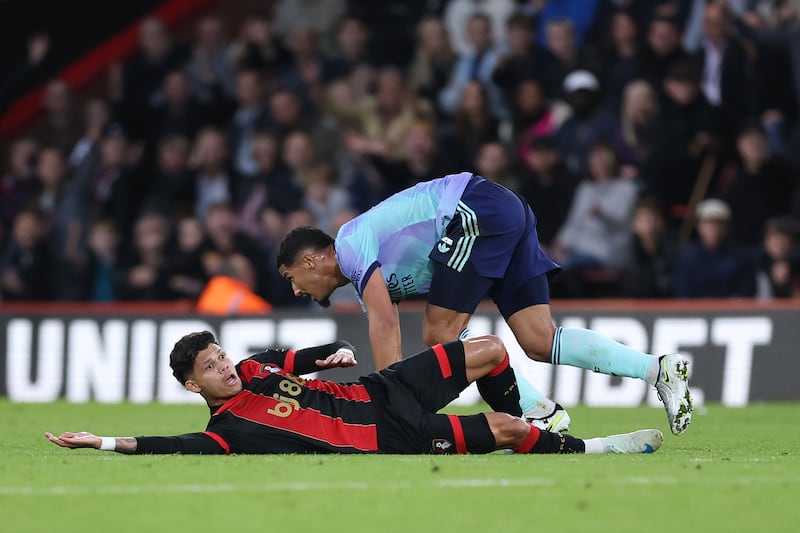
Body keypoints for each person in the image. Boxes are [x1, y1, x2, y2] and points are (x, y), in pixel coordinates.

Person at [276, 172, 694, 436]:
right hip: (502, 211)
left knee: (440, 331)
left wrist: (392, 413)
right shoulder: (366, 272)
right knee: (538, 339)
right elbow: (388, 333)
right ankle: (658, 369)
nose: (296, 291)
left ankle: (539, 414)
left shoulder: (349, 243)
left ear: (311, 260)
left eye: (293, 278)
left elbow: (386, 325)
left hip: (473, 210)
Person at [45, 330, 663, 456]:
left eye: (222, 356)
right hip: (390, 436)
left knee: (491, 350)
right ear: (193, 385)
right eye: (212, 367)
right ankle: (594, 450)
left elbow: (297, 358)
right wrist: (99, 441)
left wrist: (329, 357)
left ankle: (542, 418)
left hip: (380, 389)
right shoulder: (224, 435)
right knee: (503, 433)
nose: (227, 368)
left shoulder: (255, 369)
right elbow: (166, 445)